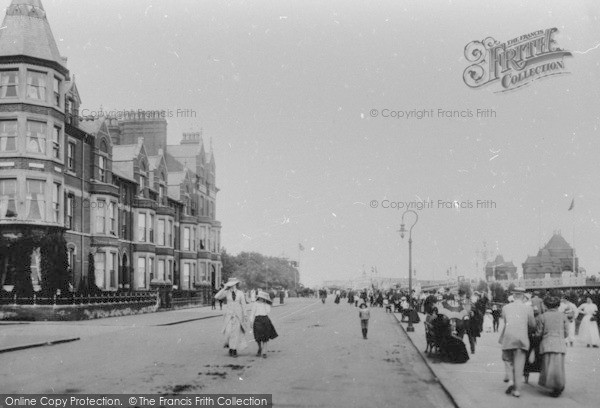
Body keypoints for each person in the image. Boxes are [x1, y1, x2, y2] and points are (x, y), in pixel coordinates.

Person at [499, 287, 536, 398]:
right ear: (523, 296)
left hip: (508, 337)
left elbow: (506, 322)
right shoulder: (528, 308)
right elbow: (532, 325)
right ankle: (517, 391)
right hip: (522, 339)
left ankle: (510, 380)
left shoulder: (505, 307)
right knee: (519, 365)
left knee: (507, 360)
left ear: (513, 296)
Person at [537, 296, 569, 397]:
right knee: (559, 366)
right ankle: (559, 385)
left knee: (548, 366)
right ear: (558, 305)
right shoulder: (563, 316)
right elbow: (566, 333)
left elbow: (539, 333)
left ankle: (553, 386)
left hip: (547, 344)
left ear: (546, 305)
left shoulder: (543, 316)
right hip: (559, 344)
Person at [214, 278, 248, 357]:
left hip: (238, 315)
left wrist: (245, 315)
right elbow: (216, 297)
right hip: (228, 315)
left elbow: (243, 304)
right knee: (228, 332)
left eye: (233, 284)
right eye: (230, 284)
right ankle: (230, 347)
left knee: (235, 333)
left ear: (236, 284)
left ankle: (234, 350)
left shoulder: (240, 293)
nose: (232, 286)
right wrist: (224, 288)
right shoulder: (226, 292)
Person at [249, 291, 278, 358]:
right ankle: (259, 348)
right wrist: (251, 321)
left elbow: (268, 311)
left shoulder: (265, 304)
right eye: (260, 297)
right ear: (258, 297)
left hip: (265, 320)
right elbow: (252, 313)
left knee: (265, 337)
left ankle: (264, 352)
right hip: (257, 320)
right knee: (257, 337)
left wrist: (268, 304)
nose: (261, 299)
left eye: (263, 298)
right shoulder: (255, 304)